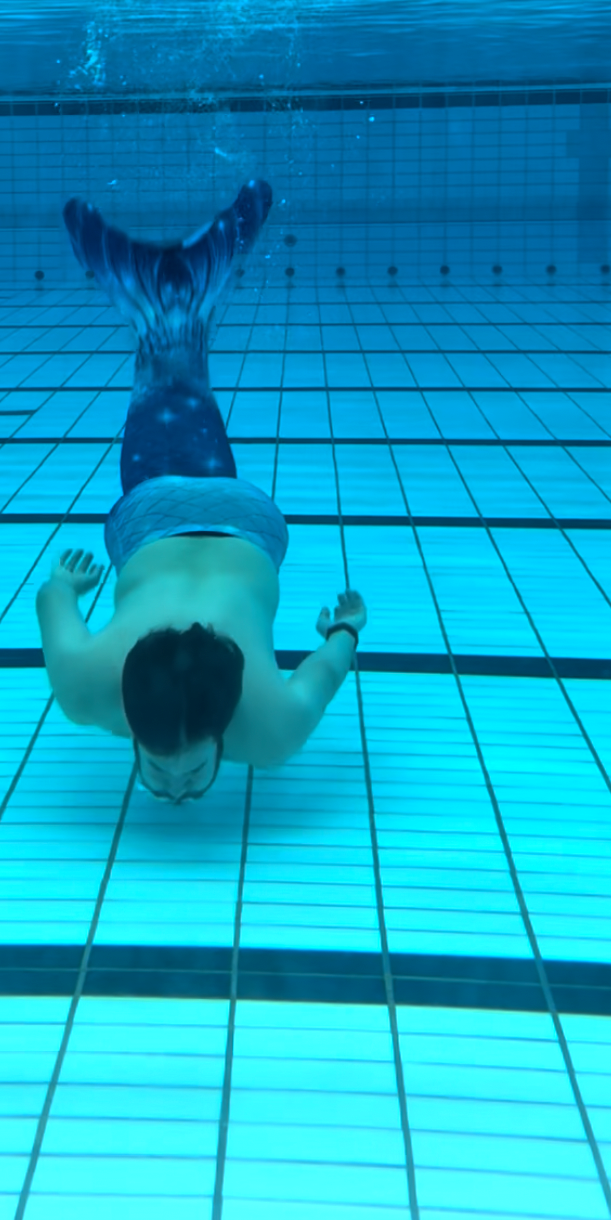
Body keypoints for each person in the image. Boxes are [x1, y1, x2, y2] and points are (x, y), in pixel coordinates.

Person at [35, 179, 367, 803]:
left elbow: (324, 672)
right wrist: (344, 633)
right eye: (179, 772)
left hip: (247, 525)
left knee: (181, 402)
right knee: (164, 393)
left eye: (169, 771)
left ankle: (179, 309)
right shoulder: (270, 733)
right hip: (169, 520)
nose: (174, 789)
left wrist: (63, 585)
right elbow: (324, 673)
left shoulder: (89, 692)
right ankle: (171, 308)